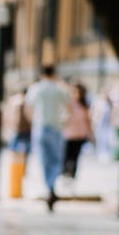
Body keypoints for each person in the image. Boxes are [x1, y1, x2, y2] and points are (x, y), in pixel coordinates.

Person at [25, 64, 69, 209]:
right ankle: (52, 186)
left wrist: (34, 122)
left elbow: (28, 109)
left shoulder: (36, 88)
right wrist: (64, 121)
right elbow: (70, 108)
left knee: (44, 159)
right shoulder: (59, 89)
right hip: (56, 127)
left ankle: (49, 187)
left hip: (41, 127)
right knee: (56, 159)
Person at [63, 82, 93, 180]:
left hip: (80, 134)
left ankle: (72, 176)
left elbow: (88, 121)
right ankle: (65, 174)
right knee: (67, 156)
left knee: (75, 157)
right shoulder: (68, 104)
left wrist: (91, 135)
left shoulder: (85, 105)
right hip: (69, 135)